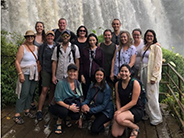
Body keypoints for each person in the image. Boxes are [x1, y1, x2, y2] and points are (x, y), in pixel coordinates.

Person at [111, 64, 144, 138]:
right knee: (115, 134)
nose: (124, 73)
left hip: (135, 109)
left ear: (129, 73)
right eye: (122, 71)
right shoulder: (117, 84)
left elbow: (134, 102)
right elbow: (118, 100)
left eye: (126, 71)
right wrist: (119, 110)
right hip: (123, 110)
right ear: (119, 73)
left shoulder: (134, 83)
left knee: (119, 118)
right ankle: (125, 122)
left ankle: (135, 127)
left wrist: (119, 112)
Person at [13, 30, 39, 124]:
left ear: (34, 37)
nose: (30, 38)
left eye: (32, 36)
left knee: (30, 93)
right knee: (23, 93)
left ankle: (27, 111)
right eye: (28, 37)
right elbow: (17, 62)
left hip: (34, 74)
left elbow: (37, 62)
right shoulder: (22, 47)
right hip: (25, 73)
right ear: (26, 38)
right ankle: (17, 114)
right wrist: (20, 74)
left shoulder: (36, 48)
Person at [49, 64, 83, 134]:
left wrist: (80, 116)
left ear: (77, 73)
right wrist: (69, 107)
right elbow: (57, 99)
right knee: (64, 111)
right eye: (70, 71)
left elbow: (80, 97)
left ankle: (67, 118)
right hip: (58, 105)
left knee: (76, 116)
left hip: (70, 103)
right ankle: (58, 122)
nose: (72, 73)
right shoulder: (61, 83)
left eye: (74, 71)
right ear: (67, 72)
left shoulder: (78, 84)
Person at [140, 29, 163, 126]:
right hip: (143, 72)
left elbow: (158, 63)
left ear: (154, 38)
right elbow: (142, 61)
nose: (149, 37)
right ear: (145, 37)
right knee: (145, 93)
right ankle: (148, 113)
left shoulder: (156, 48)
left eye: (151, 36)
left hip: (151, 74)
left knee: (152, 95)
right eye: (147, 36)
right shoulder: (144, 47)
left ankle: (157, 118)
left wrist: (154, 77)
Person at [81, 68, 114, 134]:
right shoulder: (92, 85)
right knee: (84, 111)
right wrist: (83, 105)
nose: (99, 77)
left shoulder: (106, 88)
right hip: (96, 106)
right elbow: (88, 98)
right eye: (97, 75)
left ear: (104, 76)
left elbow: (104, 106)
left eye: (101, 75)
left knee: (94, 130)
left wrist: (90, 110)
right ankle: (95, 119)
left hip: (106, 111)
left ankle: (108, 123)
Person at [36, 31, 57, 121]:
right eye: (48, 36)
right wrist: (39, 70)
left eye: (51, 36)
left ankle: (50, 105)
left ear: (54, 37)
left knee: (53, 88)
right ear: (46, 37)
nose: (50, 37)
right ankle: (39, 110)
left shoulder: (57, 46)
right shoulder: (42, 47)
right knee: (44, 89)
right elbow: (39, 58)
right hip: (45, 70)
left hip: (55, 71)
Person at [80, 33, 104, 99]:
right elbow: (81, 63)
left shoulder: (100, 50)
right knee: (85, 90)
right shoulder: (84, 50)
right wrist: (81, 75)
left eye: (93, 40)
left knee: (96, 90)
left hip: (96, 75)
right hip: (86, 74)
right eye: (90, 40)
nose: (92, 42)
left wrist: (101, 75)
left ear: (96, 41)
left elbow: (102, 63)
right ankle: (85, 105)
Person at [31, 21, 46, 110]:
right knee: (33, 82)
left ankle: (41, 102)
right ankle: (31, 101)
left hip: (43, 63)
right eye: (38, 26)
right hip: (33, 62)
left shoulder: (45, 37)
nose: (39, 27)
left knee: (41, 83)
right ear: (36, 28)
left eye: (41, 26)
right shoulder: (32, 37)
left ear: (43, 28)